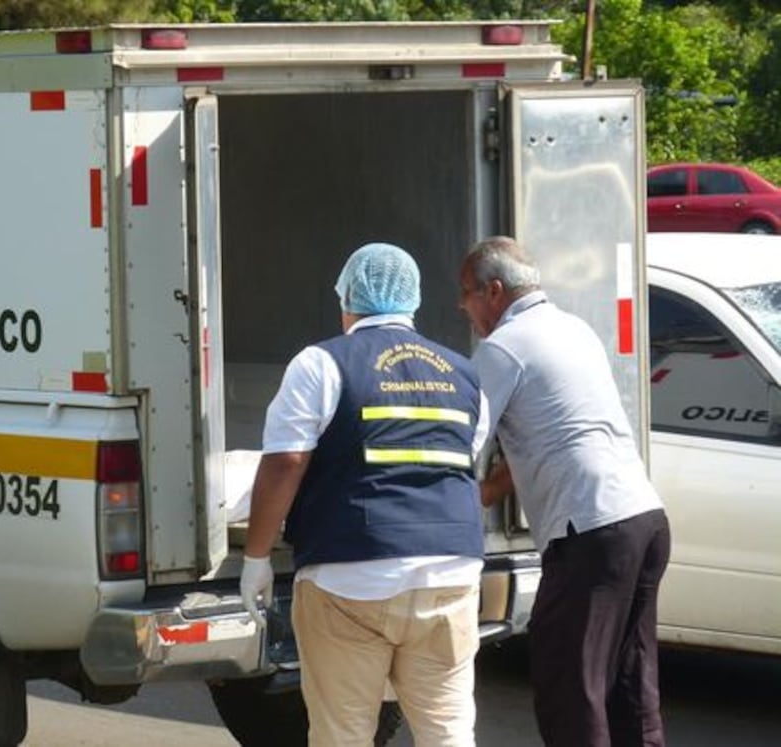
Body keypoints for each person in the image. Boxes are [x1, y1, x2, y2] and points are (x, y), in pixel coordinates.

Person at [240, 242, 488, 747]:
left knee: (343, 733)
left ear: (347, 298)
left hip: (349, 576)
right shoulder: (465, 374)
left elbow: (287, 459)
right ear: (412, 301)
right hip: (450, 574)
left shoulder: (321, 364)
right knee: (448, 732)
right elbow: (464, 454)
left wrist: (256, 557)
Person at [458, 236, 671, 747]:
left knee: (570, 686)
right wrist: (487, 493)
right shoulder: (573, 328)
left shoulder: (504, 347)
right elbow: (549, 434)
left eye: (465, 294)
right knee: (630, 683)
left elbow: (461, 439)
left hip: (592, 532)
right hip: (643, 518)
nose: (462, 307)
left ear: (493, 291)